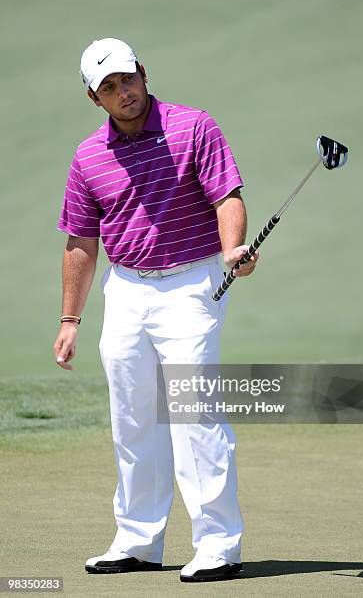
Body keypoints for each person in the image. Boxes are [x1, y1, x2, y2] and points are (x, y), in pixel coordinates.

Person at [54, 37, 258, 583]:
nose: (123, 92)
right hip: (125, 290)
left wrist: (232, 248)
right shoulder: (88, 156)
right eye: (109, 88)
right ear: (94, 99)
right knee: (133, 414)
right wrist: (70, 319)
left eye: (128, 79)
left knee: (193, 412)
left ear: (143, 73)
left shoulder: (194, 126)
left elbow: (226, 196)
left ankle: (218, 544)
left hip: (192, 282)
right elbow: (80, 240)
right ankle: (138, 540)